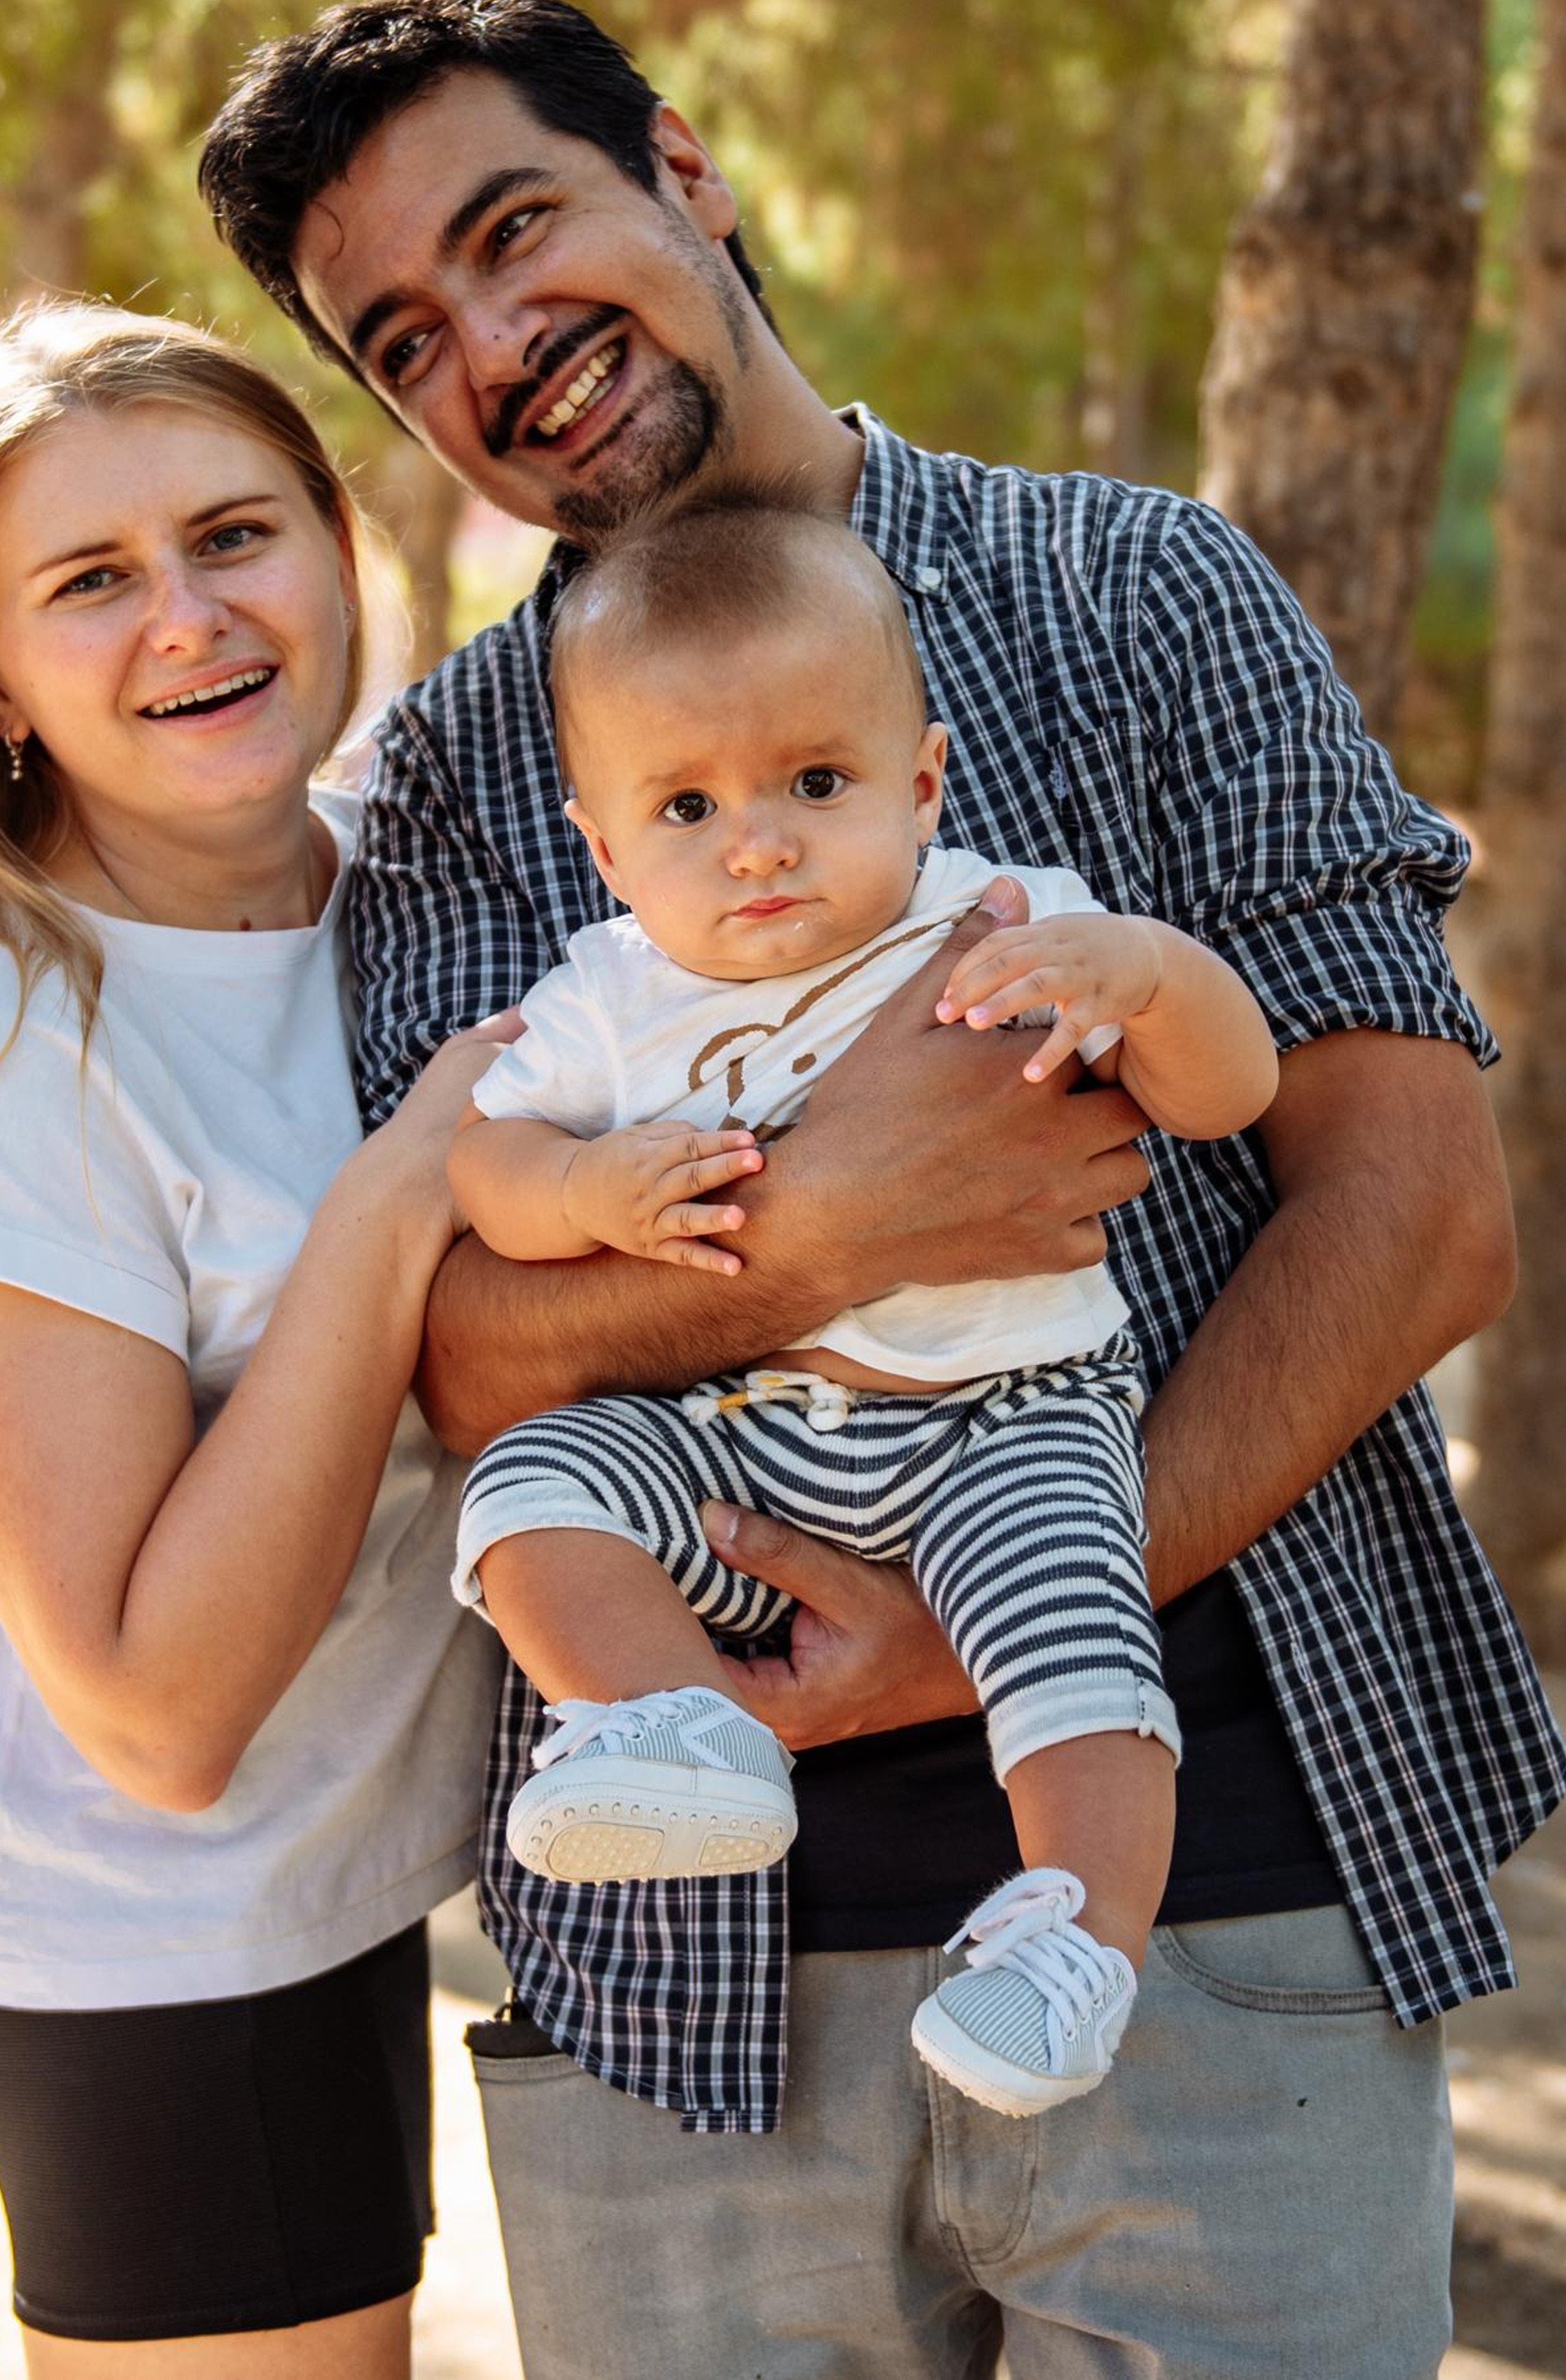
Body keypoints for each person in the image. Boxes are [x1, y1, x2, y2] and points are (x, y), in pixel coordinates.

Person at [198, 0, 1566, 2379]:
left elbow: (1422, 1205)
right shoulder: (436, 783)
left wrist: (987, 1625)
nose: (497, 349)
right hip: (678, 2000)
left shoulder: (1143, 593)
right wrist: (831, 1222)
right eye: (405, 337)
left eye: (523, 231)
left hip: (1214, 1912)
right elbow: (457, 1353)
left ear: (692, 166)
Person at [0, 301, 509, 2379]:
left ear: (336, 546)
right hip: (157, 1960)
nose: (186, 617)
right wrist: (393, 1214)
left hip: (336, 1884)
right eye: (89, 581)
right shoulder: (6, 1041)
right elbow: (152, 1715)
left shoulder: (409, 877)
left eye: (233, 536)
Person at [448, 491, 1280, 2121]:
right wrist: (578, 1195)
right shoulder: (611, 992)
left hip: (1004, 1424)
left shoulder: (997, 919)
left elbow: (1224, 1093)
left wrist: (1154, 981)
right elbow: (487, 1163)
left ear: (918, 785)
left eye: (814, 785)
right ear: (605, 847)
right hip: (734, 1438)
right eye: (683, 806)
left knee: (1074, 1640)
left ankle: (1073, 1953)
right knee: (526, 1495)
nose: (753, 843)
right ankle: (673, 1725)